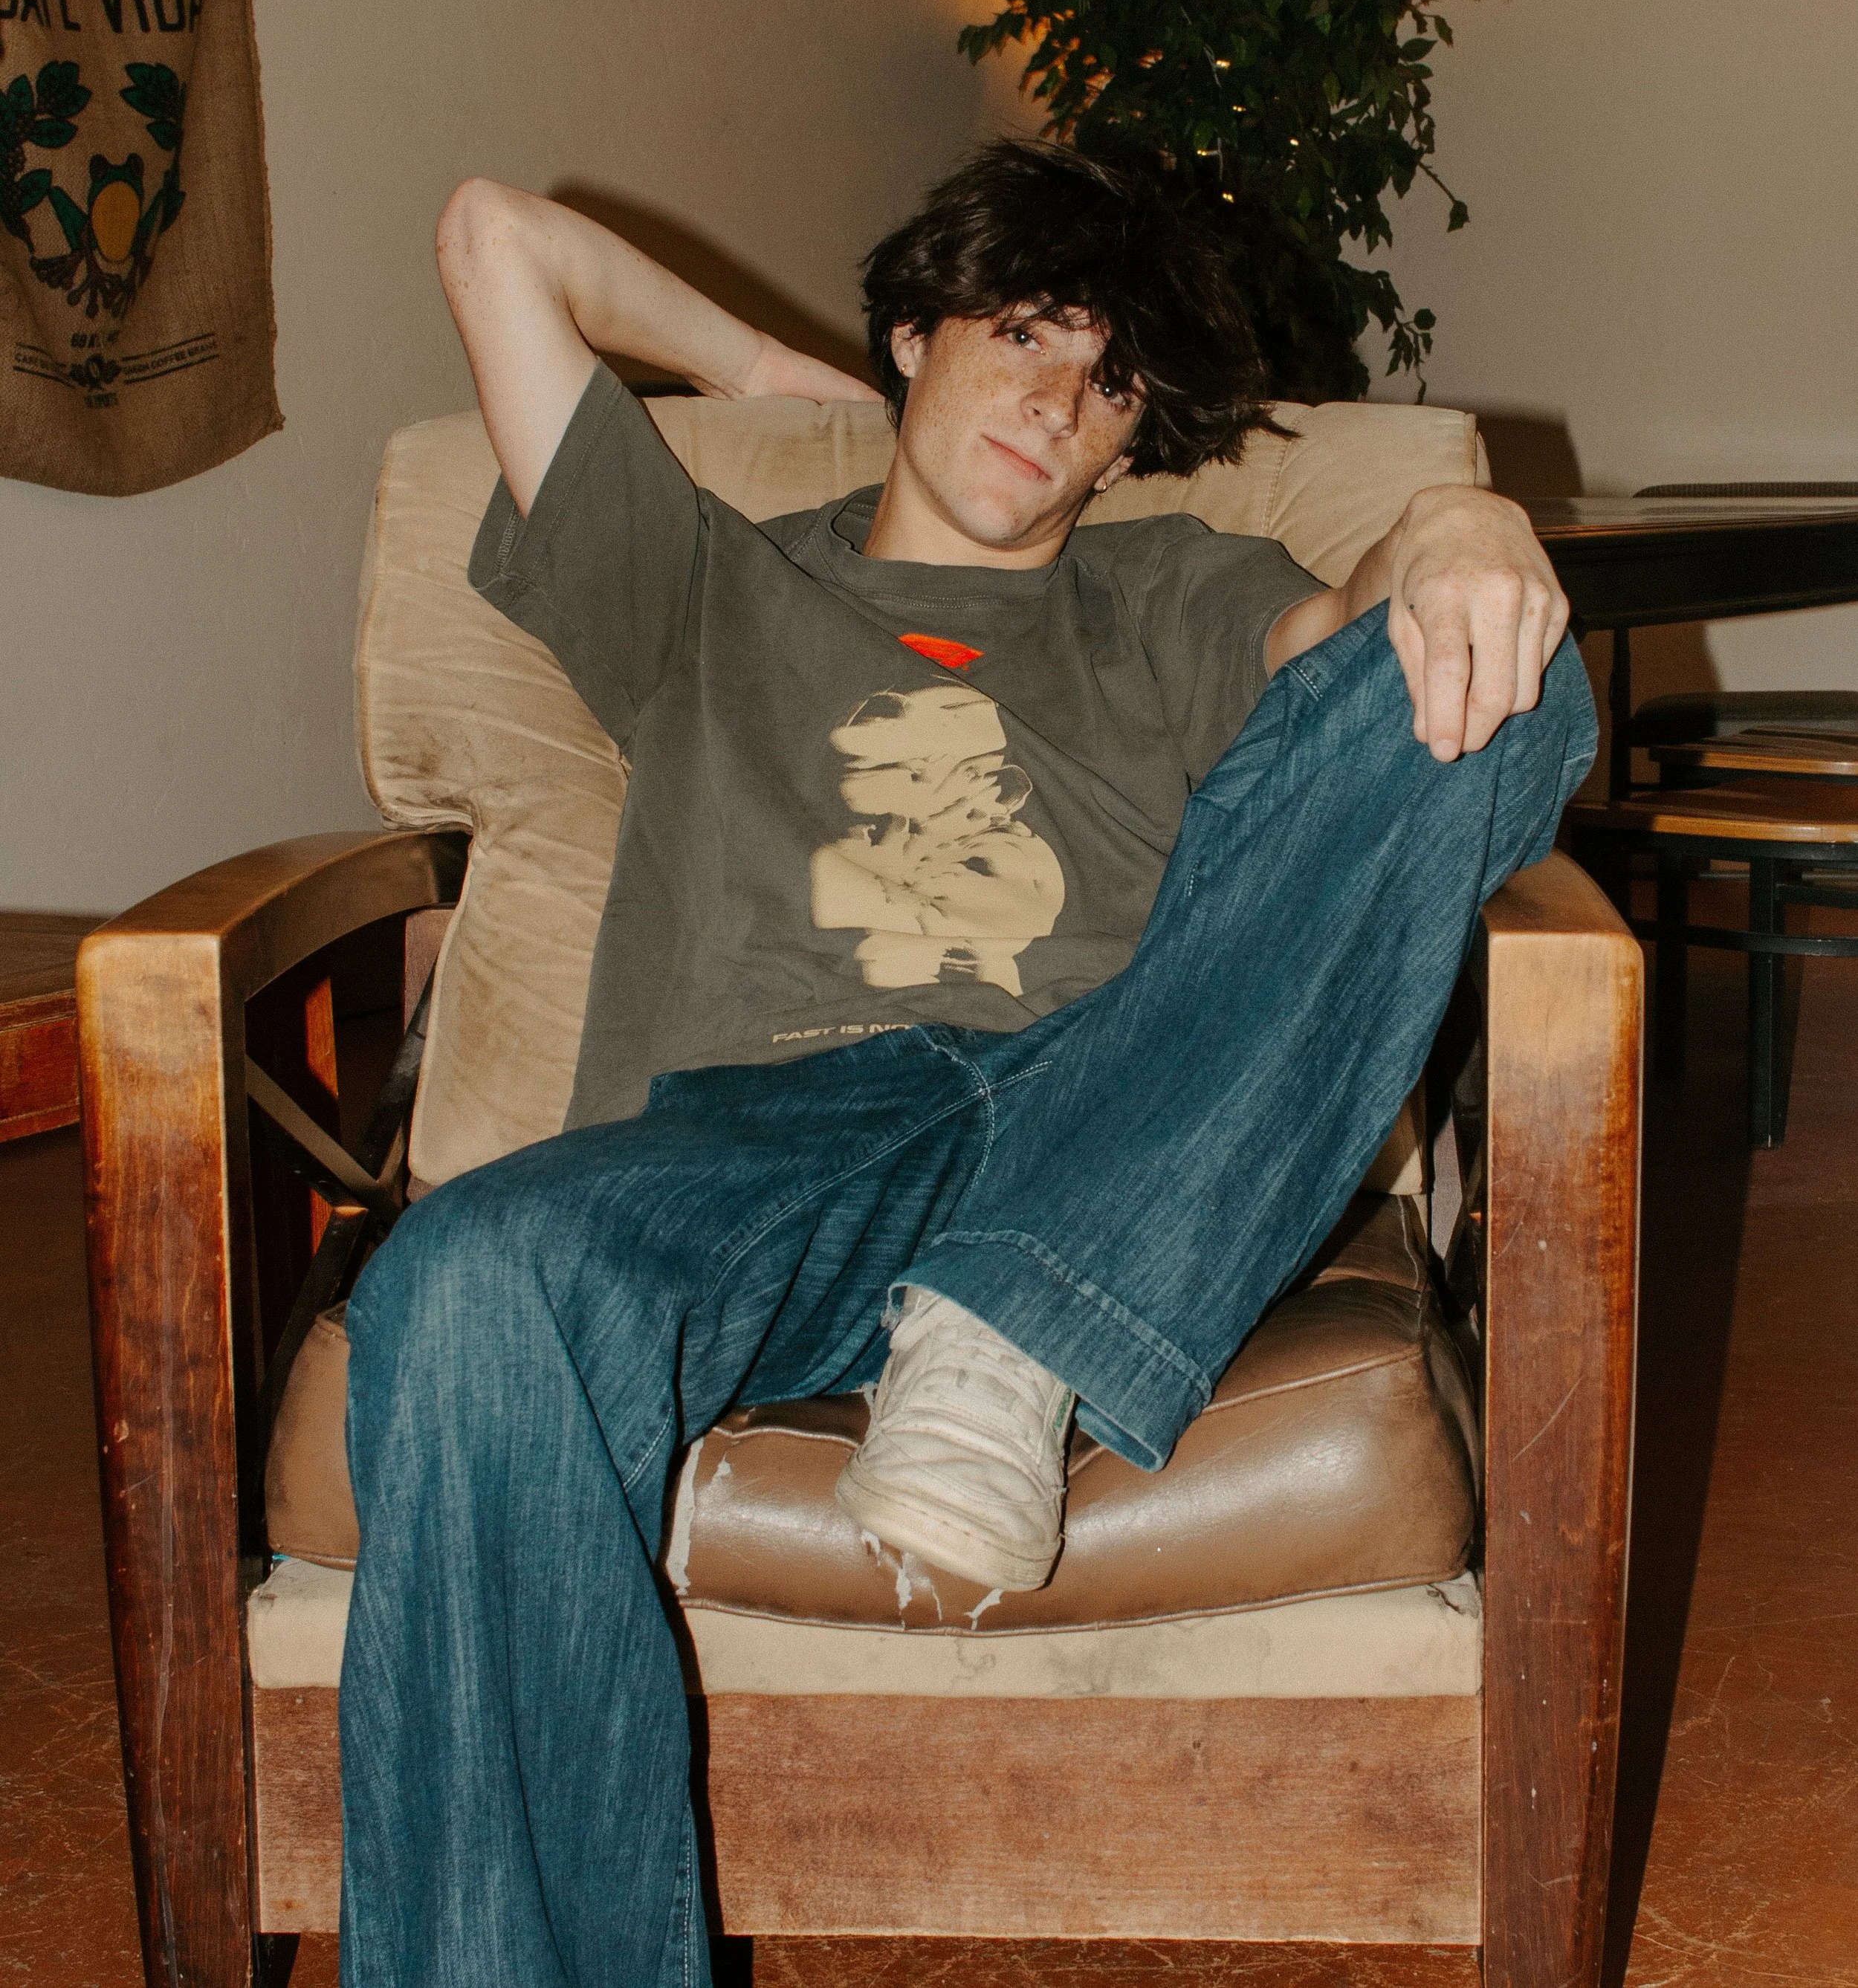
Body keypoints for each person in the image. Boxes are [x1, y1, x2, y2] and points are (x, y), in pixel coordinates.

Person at [339, 141, 1595, 1988]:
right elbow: (492, 238)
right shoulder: (701, 586)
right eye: (1015, 336)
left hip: (1123, 1097)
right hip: (754, 1153)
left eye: (1104, 387)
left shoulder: (1167, 588)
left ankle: (1017, 1304)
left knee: (1511, 691)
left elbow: (1395, 678)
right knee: (456, 1287)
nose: (1054, 405)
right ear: (915, 334)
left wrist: (1450, 539)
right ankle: (1014, 1310)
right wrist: (776, 383)